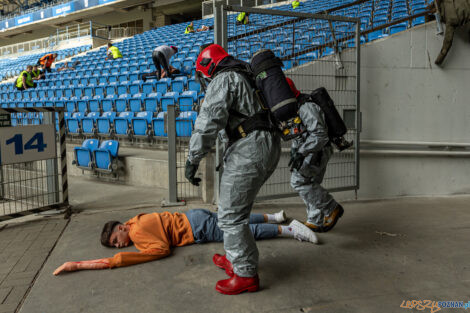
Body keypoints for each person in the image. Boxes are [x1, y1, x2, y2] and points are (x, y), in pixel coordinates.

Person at [185, 44, 281, 295]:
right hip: (265, 146)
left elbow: (208, 120)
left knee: (230, 215)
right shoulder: (246, 74)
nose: (205, 80)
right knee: (236, 210)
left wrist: (193, 158)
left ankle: (245, 274)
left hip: (250, 148)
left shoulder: (224, 78)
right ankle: (235, 258)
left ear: (208, 66)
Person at [52, 209, 318, 275]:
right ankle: (274, 216)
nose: (120, 245)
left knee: (240, 232)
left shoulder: (136, 233)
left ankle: (287, 229)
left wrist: (116, 260)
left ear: (121, 228)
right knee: (236, 218)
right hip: (193, 216)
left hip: (196, 228)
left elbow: (160, 250)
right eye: (115, 246)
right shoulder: (136, 221)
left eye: (116, 240)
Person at [286, 77, 344, 233]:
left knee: (298, 181)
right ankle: (315, 220)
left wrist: (300, 152)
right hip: (314, 151)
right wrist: (295, 148)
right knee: (312, 183)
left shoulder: (306, 107)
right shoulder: (296, 107)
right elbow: (301, 133)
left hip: (317, 152)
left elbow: (320, 135)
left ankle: (331, 208)